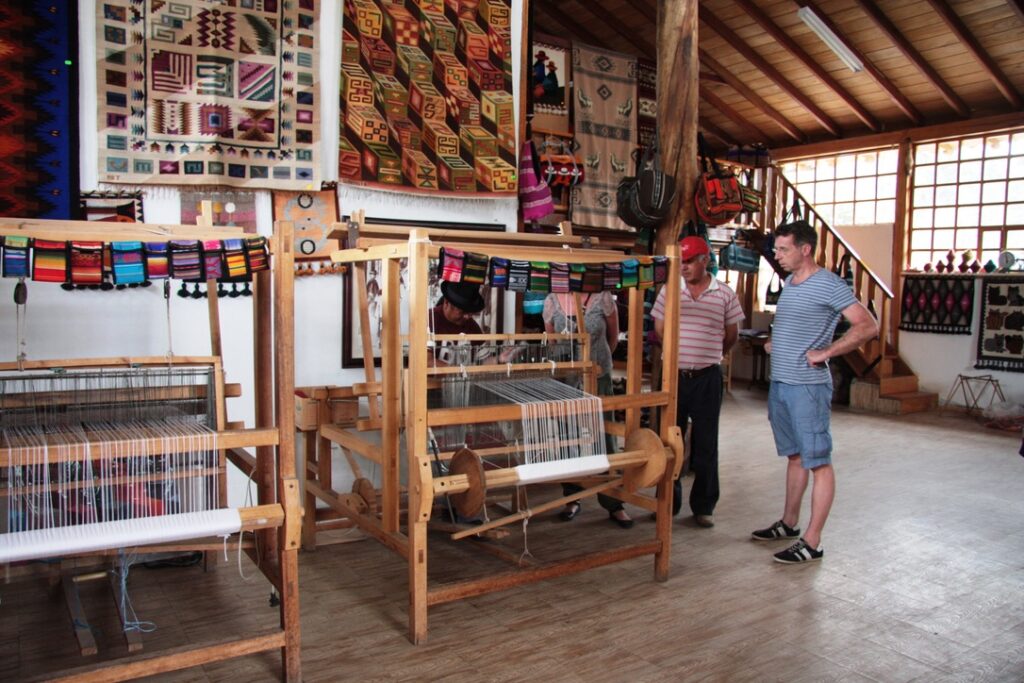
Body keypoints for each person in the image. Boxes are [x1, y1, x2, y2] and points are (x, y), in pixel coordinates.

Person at [751, 221, 877, 564]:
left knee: (818, 462)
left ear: (805, 249)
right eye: (776, 249)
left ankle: (812, 540)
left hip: (808, 387)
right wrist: (777, 342)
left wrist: (825, 353)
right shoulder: (791, 282)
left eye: (783, 250)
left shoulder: (830, 285)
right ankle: (789, 524)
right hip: (782, 384)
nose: (777, 256)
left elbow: (867, 325)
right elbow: (797, 324)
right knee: (795, 456)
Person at [652, 236, 743, 528]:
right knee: (669, 440)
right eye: (682, 261)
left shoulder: (725, 294)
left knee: (706, 442)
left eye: (690, 261)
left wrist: (711, 355)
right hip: (674, 375)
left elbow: (732, 335)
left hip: (707, 376)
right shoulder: (669, 290)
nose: (685, 267)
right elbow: (659, 329)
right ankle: (667, 503)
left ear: (705, 260)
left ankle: (704, 506)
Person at [543, 290, 634, 529]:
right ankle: (572, 497)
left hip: (599, 374)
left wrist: (598, 363)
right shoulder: (552, 301)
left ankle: (614, 501)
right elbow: (552, 342)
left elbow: (613, 338)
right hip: (567, 378)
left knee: (605, 435)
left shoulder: (603, 299)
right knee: (567, 435)